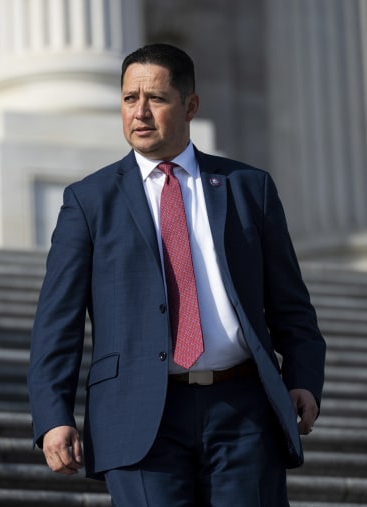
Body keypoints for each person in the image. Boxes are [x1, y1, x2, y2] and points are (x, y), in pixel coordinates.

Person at [28, 43, 326, 506]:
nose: (140, 113)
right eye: (129, 99)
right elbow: (57, 322)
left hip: (243, 410)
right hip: (138, 414)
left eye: (157, 99)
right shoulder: (89, 201)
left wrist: (303, 377)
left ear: (190, 105)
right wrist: (53, 414)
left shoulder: (249, 188)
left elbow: (291, 303)